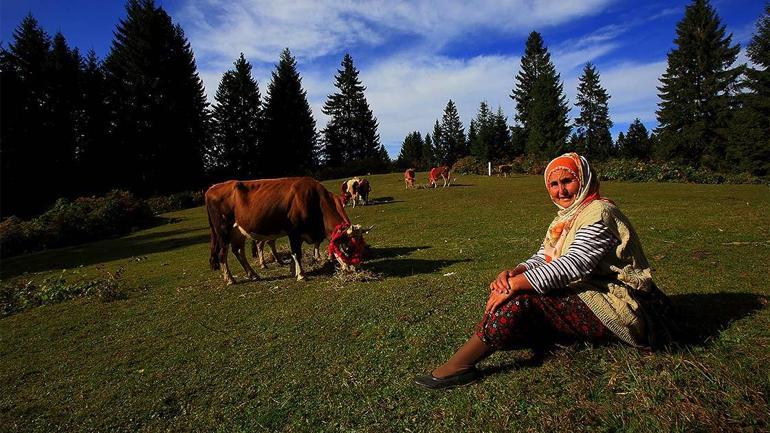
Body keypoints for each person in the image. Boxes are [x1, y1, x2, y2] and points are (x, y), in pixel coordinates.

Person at [415, 152, 672, 390]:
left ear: (583, 180)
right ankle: (492, 341)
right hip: (589, 289)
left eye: (568, 181)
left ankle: (460, 365)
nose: (561, 190)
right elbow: (545, 255)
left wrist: (516, 285)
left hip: (624, 303)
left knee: (520, 301)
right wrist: (516, 271)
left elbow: (574, 264)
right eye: (554, 184)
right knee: (514, 289)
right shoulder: (567, 216)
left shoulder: (599, 213)